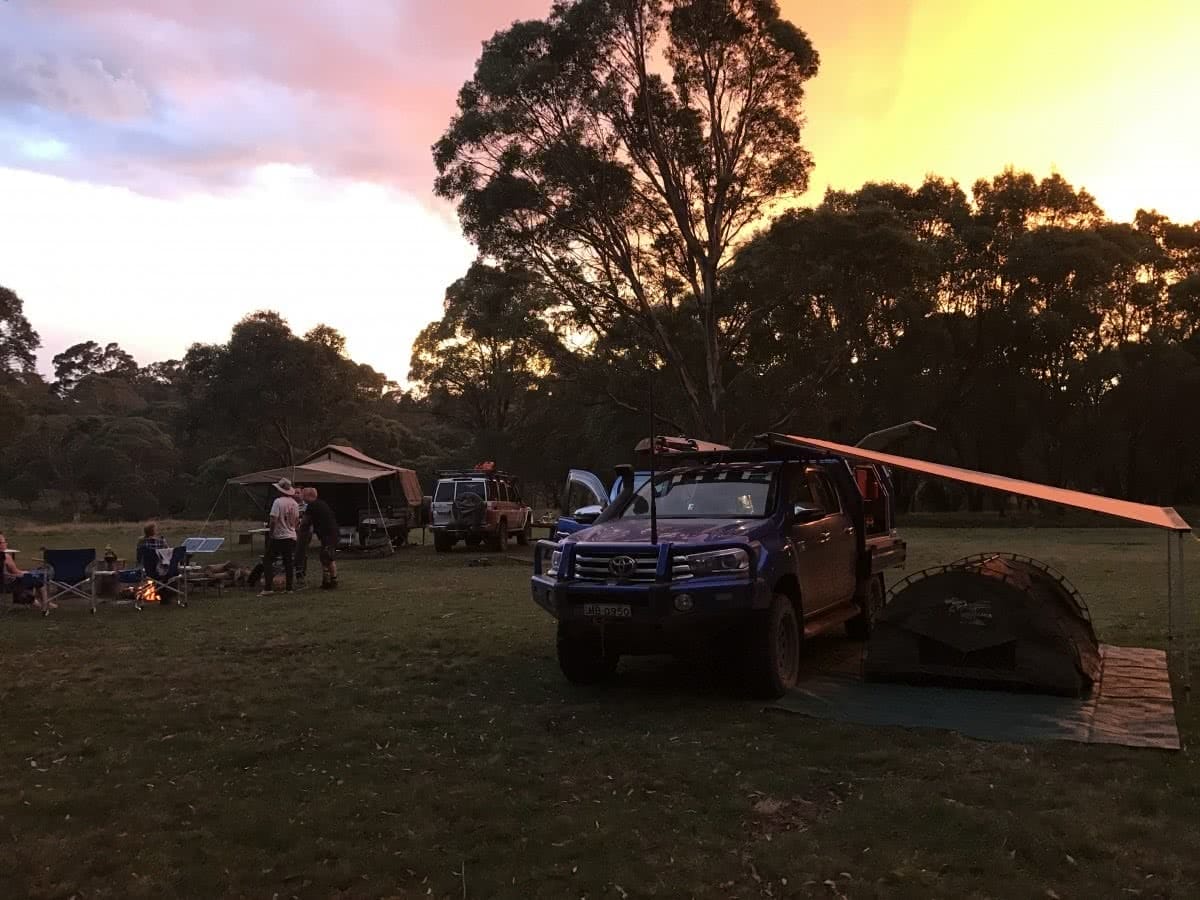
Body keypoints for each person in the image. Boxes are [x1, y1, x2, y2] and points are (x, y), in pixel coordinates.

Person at [259, 478, 300, 596]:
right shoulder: (294, 503)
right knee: (288, 562)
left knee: (267, 560)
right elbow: (296, 521)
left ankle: (268, 587)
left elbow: (273, 519)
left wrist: (271, 533)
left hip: (279, 536)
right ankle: (289, 588)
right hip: (291, 536)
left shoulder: (277, 502)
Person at [1, 531, 52, 612]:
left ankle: (35, 602)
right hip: (6, 585)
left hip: (4, 582)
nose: (6, 544)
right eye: (4, 542)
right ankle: (45, 605)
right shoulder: (5, 557)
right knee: (38, 579)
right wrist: (27, 573)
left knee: (31, 577)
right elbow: (16, 572)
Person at [299, 487, 339, 589]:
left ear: (309, 496)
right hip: (332, 533)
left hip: (328, 534)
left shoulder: (312, 505)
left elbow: (305, 522)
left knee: (327, 557)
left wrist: (298, 528)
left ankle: (330, 581)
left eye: (303, 495)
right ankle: (329, 580)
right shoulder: (321, 503)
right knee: (327, 557)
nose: (302, 497)